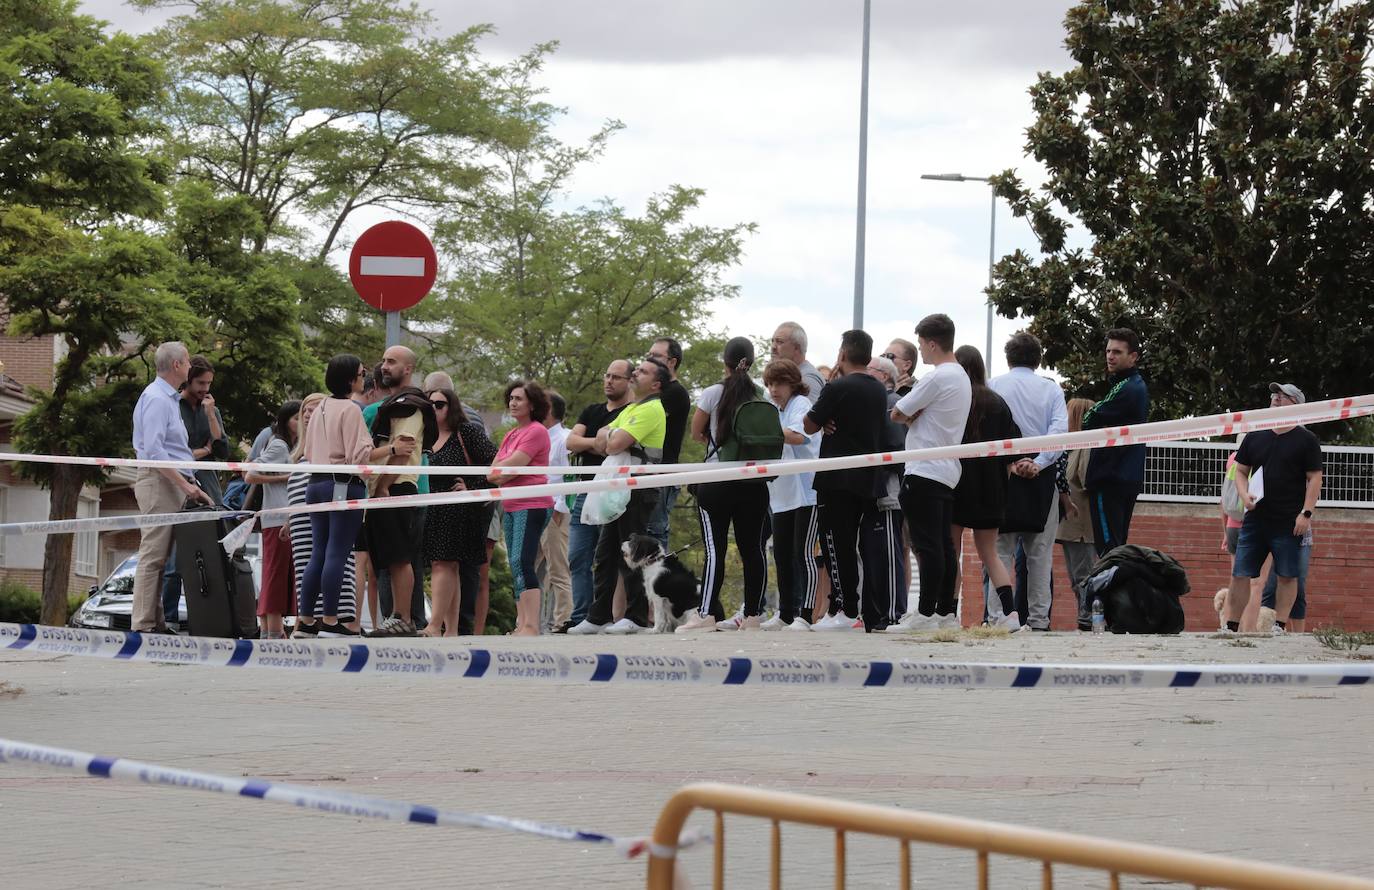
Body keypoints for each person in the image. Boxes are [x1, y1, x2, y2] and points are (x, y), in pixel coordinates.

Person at [300, 355, 409, 637]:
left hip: (315, 482)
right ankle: (331, 619)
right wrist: (392, 449)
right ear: (351, 379)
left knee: (319, 551)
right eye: (362, 373)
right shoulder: (351, 410)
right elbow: (360, 456)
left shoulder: (320, 406)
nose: (365, 377)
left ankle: (306, 620)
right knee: (337, 551)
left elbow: (308, 451)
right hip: (343, 483)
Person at [678, 337, 774, 632]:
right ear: (752, 363)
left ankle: (706, 613)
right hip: (753, 482)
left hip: (717, 480)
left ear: (725, 362)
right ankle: (754, 616)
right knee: (753, 550)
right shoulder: (762, 396)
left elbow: (696, 432)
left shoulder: (712, 393)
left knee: (715, 548)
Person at [568, 357, 669, 635]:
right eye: (637, 370)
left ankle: (636, 617)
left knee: (632, 551)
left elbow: (612, 443)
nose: (637, 373)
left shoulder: (651, 409)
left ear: (657, 384)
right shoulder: (632, 409)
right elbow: (603, 438)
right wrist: (609, 437)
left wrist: (610, 437)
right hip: (618, 488)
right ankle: (598, 615)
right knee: (606, 551)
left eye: (644, 372)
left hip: (638, 489)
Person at [886, 314, 972, 633]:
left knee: (927, 546)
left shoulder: (937, 378)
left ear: (932, 343)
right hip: (947, 469)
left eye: (921, 344)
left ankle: (924, 612)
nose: (921, 351)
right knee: (944, 546)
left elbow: (898, 412)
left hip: (923, 468)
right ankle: (945, 612)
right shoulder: (960, 375)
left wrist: (909, 416)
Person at [803, 329, 888, 631]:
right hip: (868, 478)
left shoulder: (838, 387)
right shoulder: (879, 389)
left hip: (836, 480)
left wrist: (825, 409)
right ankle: (867, 612)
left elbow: (809, 425)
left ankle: (844, 607)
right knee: (864, 547)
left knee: (835, 546)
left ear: (842, 354)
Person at [1222, 383, 1322, 635]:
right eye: (1274, 395)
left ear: (1297, 404)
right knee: (1241, 574)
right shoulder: (1255, 435)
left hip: (1288, 520)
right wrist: (1245, 496)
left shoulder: (1306, 439)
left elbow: (1315, 478)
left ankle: (1279, 626)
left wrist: (1306, 513)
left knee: (1288, 575)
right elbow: (1241, 472)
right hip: (1256, 518)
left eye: (1283, 396)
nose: (1276, 399)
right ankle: (1231, 627)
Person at [130, 342, 213, 634]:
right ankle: (143, 625)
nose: (191, 366)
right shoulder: (156, 398)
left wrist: (189, 483)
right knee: (153, 554)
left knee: (161, 556)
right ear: (177, 365)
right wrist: (183, 484)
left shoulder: (166, 398)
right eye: (188, 361)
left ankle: (155, 622)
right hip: (160, 481)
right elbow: (153, 451)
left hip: (172, 481)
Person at [988, 332, 1068, 631]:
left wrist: (1010, 463)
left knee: (999, 552)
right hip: (1041, 478)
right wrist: (1039, 462)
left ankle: (999, 618)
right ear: (1039, 359)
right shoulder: (1051, 389)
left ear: (1008, 357)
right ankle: (1038, 621)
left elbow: (988, 430)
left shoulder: (995, 385)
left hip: (1003, 475)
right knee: (1040, 555)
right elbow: (1060, 430)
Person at [947, 346, 1022, 630]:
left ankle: (949, 613)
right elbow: (1013, 448)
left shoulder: (956, 400)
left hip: (957, 485)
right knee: (990, 553)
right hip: (992, 488)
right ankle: (1010, 613)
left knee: (951, 552)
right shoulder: (998, 403)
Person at [562, 360, 633, 630]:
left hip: (613, 493)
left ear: (629, 381)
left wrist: (597, 444)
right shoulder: (592, 411)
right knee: (578, 556)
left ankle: (616, 616)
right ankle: (582, 615)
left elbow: (619, 444)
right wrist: (600, 443)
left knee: (611, 557)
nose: (609, 381)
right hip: (585, 491)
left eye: (616, 377)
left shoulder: (630, 412)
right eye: (607, 375)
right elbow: (571, 442)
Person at [160, 354, 229, 625]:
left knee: (214, 553)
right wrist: (203, 450)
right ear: (187, 380)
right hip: (180, 482)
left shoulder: (211, 408)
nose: (205, 389)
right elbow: (175, 452)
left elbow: (222, 450)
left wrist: (211, 416)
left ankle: (212, 617)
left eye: (209, 383)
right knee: (175, 560)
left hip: (209, 487)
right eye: (200, 382)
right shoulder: (172, 407)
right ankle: (169, 618)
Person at [423, 388, 497, 636]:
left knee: (443, 564)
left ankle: (434, 625)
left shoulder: (465, 432)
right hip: (433, 507)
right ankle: (450, 630)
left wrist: (473, 486)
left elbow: (495, 463)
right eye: (429, 404)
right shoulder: (425, 436)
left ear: (451, 406)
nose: (433, 408)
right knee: (446, 566)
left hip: (460, 508)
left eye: (439, 404)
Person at [365, 345, 429, 631]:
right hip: (385, 488)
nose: (384, 366)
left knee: (400, 558)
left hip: (397, 487)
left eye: (392, 361)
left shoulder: (409, 403)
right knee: (390, 559)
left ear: (408, 369)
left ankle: (403, 618)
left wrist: (382, 487)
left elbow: (403, 449)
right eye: (383, 361)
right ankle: (396, 616)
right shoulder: (394, 402)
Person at [488, 380, 554, 636]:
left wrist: (504, 472)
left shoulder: (536, 431)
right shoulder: (511, 434)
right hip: (511, 504)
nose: (513, 403)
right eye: (511, 398)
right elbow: (493, 472)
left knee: (522, 560)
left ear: (532, 404)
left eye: (519, 399)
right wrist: (504, 472)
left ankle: (531, 625)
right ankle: (521, 623)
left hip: (532, 503)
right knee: (514, 563)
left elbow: (512, 466)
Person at [762, 359, 820, 631]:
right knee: (782, 553)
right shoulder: (772, 408)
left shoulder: (801, 405)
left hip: (807, 492)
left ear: (792, 383)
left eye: (780, 383)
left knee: (803, 554)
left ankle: (805, 615)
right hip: (781, 493)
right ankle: (786, 613)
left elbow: (798, 437)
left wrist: (762, 433)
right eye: (770, 384)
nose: (774, 389)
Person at [1083, 328, 1149, 555]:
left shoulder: (1126, 386)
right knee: (1116, 546)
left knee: (1109, 550)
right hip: (1124, 476)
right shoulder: (1134, 385)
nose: (1110, 356)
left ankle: (1112, 591)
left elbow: (1088, 418)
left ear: (1133, 356)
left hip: (1109, 477)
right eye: (1108, 351)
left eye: (1117, 352)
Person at [244, 400, 300, 639]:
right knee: (275, 574)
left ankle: (270, 630)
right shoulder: (278, 445)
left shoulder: (293, 445)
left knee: (277, 573)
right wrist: (288, 477)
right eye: (297, 418)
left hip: (283, 516)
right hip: (277, 517)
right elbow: (251, 475)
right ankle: (274, 631)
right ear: (285, 421)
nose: (302, 422)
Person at [861, 355, 909, 632]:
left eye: (871, 371)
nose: (866, 375)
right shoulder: (875, 403)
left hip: (888, 489)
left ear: (886, 377)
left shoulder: (891, 404)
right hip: (871, 489)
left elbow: (893, 444)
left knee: (889, 555)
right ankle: (876, 614)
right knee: (873, 554)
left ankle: (893, 613)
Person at [1056, 398, 1099, 630]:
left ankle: (1088, 618)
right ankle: (1085, 616)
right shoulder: (1073, 448)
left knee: (1082, 574)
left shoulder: (1084, 447)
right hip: (1071, 525)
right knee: (1076, 576)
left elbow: (1083, 479)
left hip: (1081, 524)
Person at [646, 337, 690, 550]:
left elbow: (643, 426)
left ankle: (655, 582)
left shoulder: (675, 393)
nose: (649, 360)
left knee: (654, 533)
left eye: (655, 355)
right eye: (648, 355)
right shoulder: (651, 394)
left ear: (672, 362)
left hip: (661, 474)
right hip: (644, 471)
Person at [537, 390, 573, 632]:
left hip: (553, 510)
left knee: (558, 568)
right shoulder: (536, 437)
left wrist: (559, 508)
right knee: (527, 569)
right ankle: (529, 622)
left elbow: (568, 475)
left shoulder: (564, 438)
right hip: (532, 508)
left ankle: (562, 620)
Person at [771, 321, 826, 403]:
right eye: (772, 341)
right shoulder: (795, 376)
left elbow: (807, 414)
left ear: (796, 348)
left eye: (779, 342)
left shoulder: (807, 379)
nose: (773, 347)